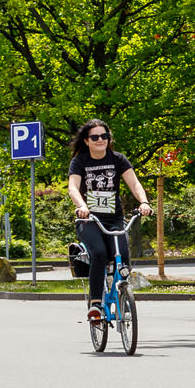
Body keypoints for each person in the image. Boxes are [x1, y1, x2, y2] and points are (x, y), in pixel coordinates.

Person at [66, 120, 152, 321]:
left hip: (114, 218)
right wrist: (82, 206)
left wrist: (144, 202)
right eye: (94, 137)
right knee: (99, 253)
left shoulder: (118, 159)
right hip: (89, 219)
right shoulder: (80, 161)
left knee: (122, 254)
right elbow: (72, 187)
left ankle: (122, 294)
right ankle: (96, 303)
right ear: (87, 141)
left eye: (103, 136)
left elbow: (134, 183)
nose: (100, 140)